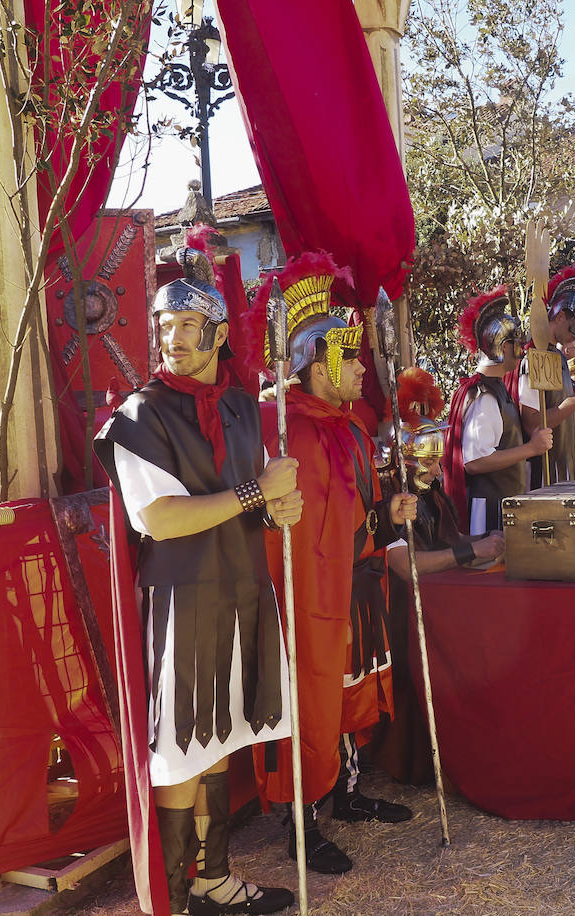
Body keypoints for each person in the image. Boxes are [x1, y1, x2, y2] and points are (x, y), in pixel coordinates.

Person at [95, 246, 297, 916]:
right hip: (182, 598)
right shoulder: (138, 417)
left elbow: (266, 499)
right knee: (181, 744)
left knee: (221, 734)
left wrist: (280, 506)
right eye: (164, 329)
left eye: (186, 327)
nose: (172, 339)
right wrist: (253, 494)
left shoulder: (241, 409)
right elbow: (159, 518)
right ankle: (177, 898)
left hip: (240, 591)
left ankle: (213, 880)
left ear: (213, 333)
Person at [255, 252, 418, 877]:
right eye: (348, 357)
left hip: (355, 581)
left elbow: (354, 511)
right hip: (312, 593)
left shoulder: (347, 426)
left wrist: (388, 515)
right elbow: (299, 531)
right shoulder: (291, 432)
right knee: (311, 703)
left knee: (349, 697)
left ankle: (345, 794)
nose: (359, 369)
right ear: (317, 366)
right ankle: (303, 821)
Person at [376, 368, 505, 784]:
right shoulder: (391, 492)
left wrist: (490, 542)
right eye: (427, 463)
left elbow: (450, 541)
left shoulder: (432, 492)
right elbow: (402, 565)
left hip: (437, 610)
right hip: (401, 619)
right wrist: (471, 550)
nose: (435, 472)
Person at [443, 286, 552, 534]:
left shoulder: (496, 389)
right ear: (503, 347)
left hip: (503, 505)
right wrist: (531, 448)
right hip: (489, 512)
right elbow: (475, 461)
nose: (522, 350)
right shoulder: (486, 397)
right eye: (517, 343)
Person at [514, 264, 575, 487]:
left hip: (565, 467)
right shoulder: (533, 357)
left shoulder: (558, 356)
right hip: (545, 474)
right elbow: (533, 423)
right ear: (560, 316)